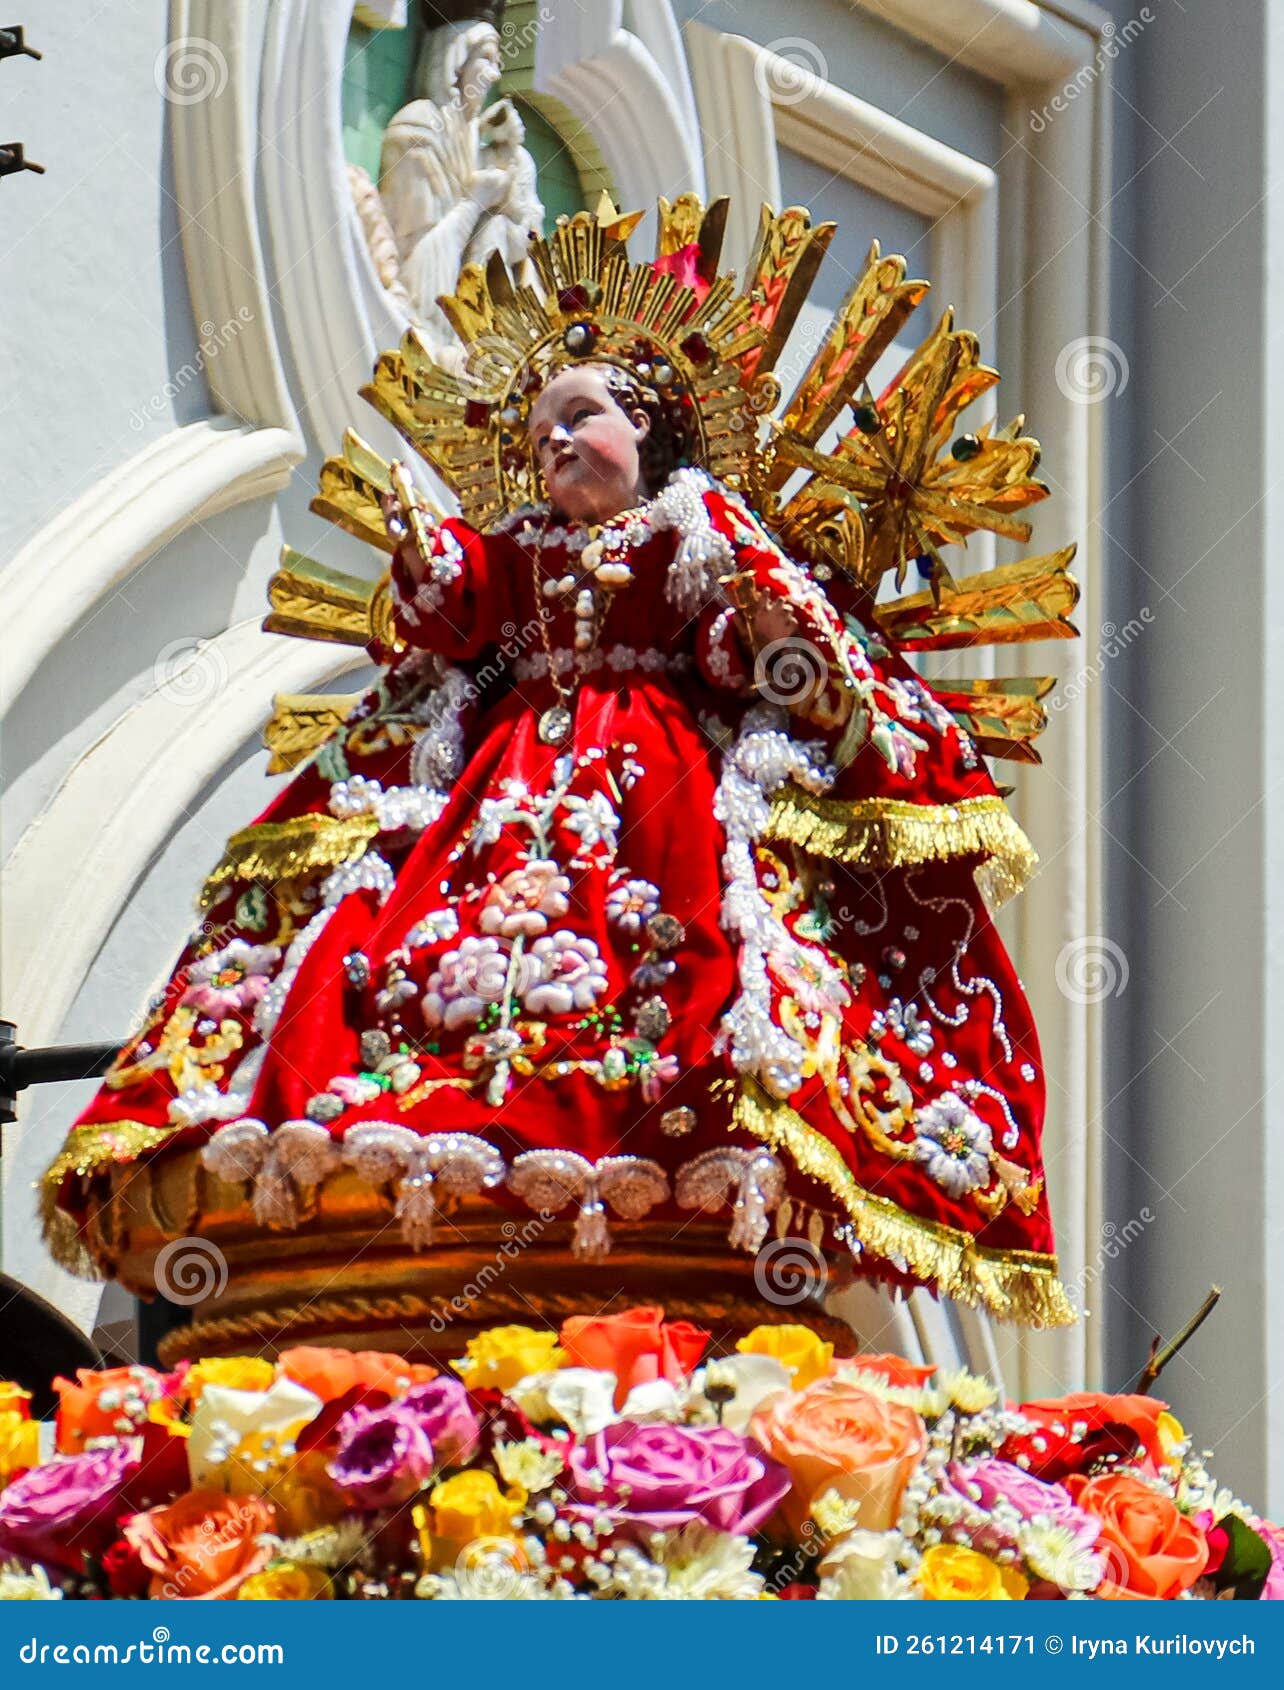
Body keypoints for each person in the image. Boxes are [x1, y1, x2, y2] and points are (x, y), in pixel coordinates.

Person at [43, 201, 1073, 1328]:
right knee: (413, 941)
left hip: (659, 781)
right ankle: (423, 1116)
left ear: (652, 429)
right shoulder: (523, 546)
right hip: (510, 772)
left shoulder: (692, 521)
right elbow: (457, 616)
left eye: (582, 417)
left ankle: (654, 1119)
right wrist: (420, 556)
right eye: (540, 432)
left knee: (677, 958)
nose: (557, 443)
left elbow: (739, 647)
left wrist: (756, 621)